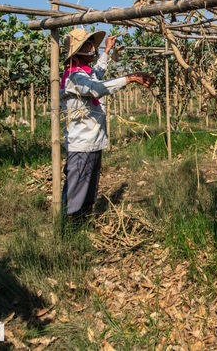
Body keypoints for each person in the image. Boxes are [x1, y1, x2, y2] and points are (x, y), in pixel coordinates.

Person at [60, 27, 155, 225]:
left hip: (92, 141)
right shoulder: (74, 77)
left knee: (89, 187)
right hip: (81, 142)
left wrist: (106, 51)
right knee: (77, 188)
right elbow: (96, 88)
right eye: (86, 45)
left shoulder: (83, 73)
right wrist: (129, 78)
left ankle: (82, 224)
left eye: (91, 43)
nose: (91, 47)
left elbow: (96, 74)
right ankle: (68, 229)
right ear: (76, 52)